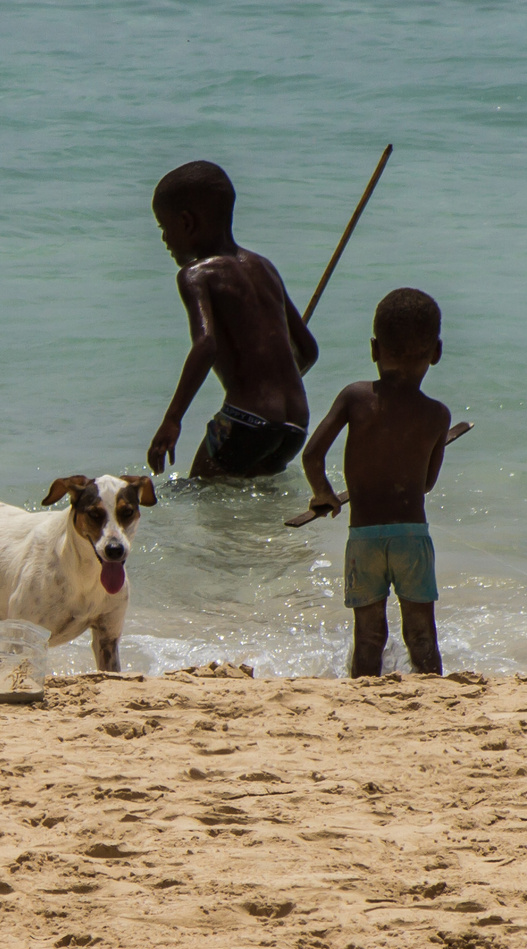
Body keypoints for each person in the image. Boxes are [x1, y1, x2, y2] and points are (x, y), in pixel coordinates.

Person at [301, 288, 450, 677]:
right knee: (421, 634)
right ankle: (434, 694)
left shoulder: (354, 397)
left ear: (373, 349)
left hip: (363, 537)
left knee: (368, 636)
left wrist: (324, 494)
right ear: (436, 352)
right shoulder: (437, 415)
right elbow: (426, 484)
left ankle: (362, 698)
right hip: (412, 538)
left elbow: (312, 455)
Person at [145, 161, 318, 479]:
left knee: (199, 495)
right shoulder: (265, 268)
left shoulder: (196, 275)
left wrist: (173, 419)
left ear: (187, 222)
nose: (165, 240)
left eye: (163, 227)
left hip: (245, 422)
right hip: (295, 425)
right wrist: (274, 383)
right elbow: (308, 350)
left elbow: (206, 345)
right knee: (254, 503)